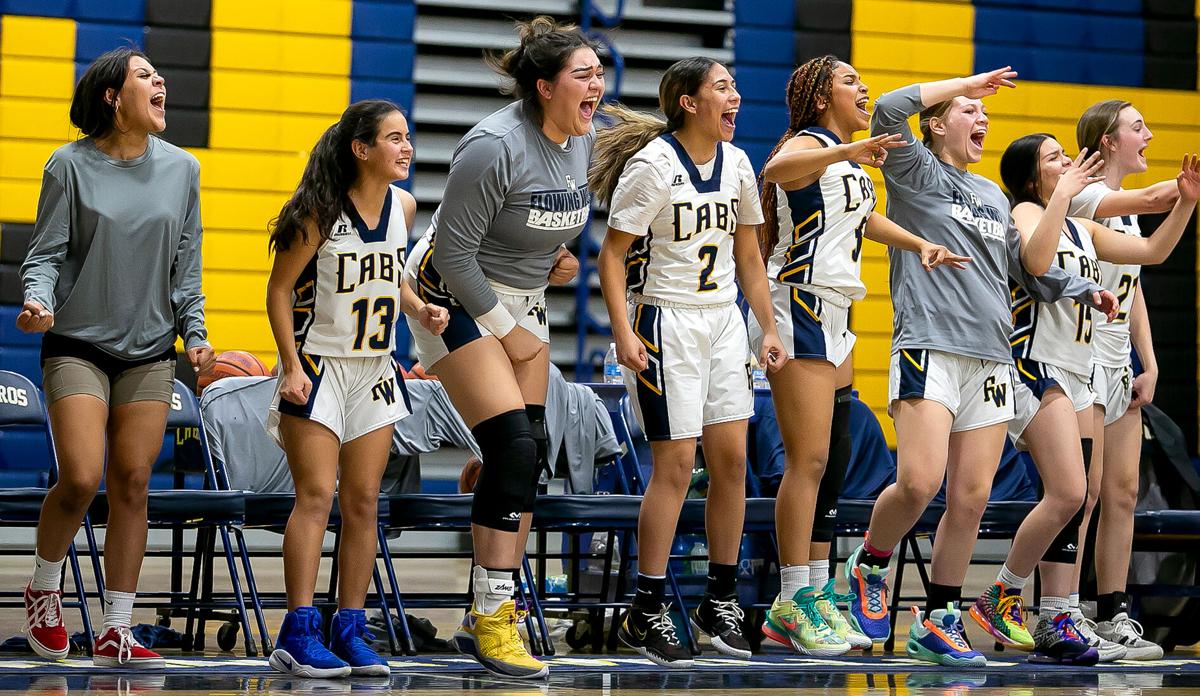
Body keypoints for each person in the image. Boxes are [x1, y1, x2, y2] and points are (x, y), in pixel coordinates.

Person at [840, 67, 1117, 667]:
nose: (983, 119)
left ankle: (938, 618)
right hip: (930, 344)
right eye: (970, 112)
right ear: (937, 123)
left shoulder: (993, 196)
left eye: (983, 113)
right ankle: (869, 562)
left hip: (991, 357)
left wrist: (1080, 287)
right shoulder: (915, 172)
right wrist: (970, 83)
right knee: (918, 482)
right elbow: (889, 108)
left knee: (970, 497)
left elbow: (1025, 268)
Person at [401, 16, 602, 679]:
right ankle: (492, 615)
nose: (598, 82)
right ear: (544, 87)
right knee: (514, 447)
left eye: (600, 71)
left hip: (522, 301)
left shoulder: (584, 136)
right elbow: (455, 253)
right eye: (584, 73)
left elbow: (544, 223)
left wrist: (559, 258)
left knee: (526, 455)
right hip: (447, 297)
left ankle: (489, 607)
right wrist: (508, 331)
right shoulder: (492, 145)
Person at [750, 55, 968, 657]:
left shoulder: (844, 156)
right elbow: (776, 169)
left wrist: (920, 242)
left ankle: (817, 592)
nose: (863, 87)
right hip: (799, 302)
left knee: (834, 462)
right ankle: (792, 598)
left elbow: (864, 219)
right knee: (809, 461)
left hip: (839, 312)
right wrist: (848, 152)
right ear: (822, 97)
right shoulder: (808, 145)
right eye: (850, 81)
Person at [19, 47, 214, 668]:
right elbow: (45, 254)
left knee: (132, 482)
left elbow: (188, 265)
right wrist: (36, 300)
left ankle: (117, 626)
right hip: (77, 342)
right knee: (80, 478)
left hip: (152, 349)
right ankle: (44, 590)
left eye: (160, 73)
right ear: (113, 97)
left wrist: (198, 334)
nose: (160, 81)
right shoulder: (68, 166)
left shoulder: (183, 169)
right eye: (145, 75)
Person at [590, 56, 785, 667]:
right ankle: (645, 609)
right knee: (675, 468)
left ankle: (718, 603)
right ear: (688, 103)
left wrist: (767, 328)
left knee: (731, 463)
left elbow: (750, 257)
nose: (736, 97)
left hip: (723, 322)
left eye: (735, 87)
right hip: (665, 321)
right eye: (723, 88)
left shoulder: (739, 164)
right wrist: (623, 331)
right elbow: (611, 256)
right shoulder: (653, 166)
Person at [973, 134, 1198, 665]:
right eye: (1055, 159)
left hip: (1078, 371)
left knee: (1082, 495)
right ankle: (1003, 594)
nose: (1068, 164)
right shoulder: (1026, 210)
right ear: (1033, 177)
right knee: (1072, 493)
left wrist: (1186, 202)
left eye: (1066, 156)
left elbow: (1151, 252)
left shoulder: (1084, 227)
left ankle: (1059, 613)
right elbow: (1034, 256)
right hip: (1034, 363)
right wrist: (1058, 197)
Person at [264, 99, 448, 678]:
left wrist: (420, 307)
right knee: (316, 497)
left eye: (408, 137)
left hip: (375, 368)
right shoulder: (319, 213)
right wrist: (290, 366)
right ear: (361, 149)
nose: (407, 148)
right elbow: (277, 291)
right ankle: (297, 629)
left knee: (364, 502)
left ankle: (350, 624)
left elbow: (388, 272)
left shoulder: (405, 206)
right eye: (394, 138)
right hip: (319, 365)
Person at [1065, 100, 1186, 660]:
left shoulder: (1128, 215)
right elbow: (1159, 196)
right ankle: (1061, 611)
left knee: (1122, 493)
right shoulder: (1087, 195)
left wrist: (1150, 361)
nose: (1150, 135)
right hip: (1080, 360)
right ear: (1108, 142)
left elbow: (1135, 284)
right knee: (1081, 495)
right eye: (1139, 127)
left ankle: (1113, 612)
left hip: (1118, 364)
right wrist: (1184, 189)